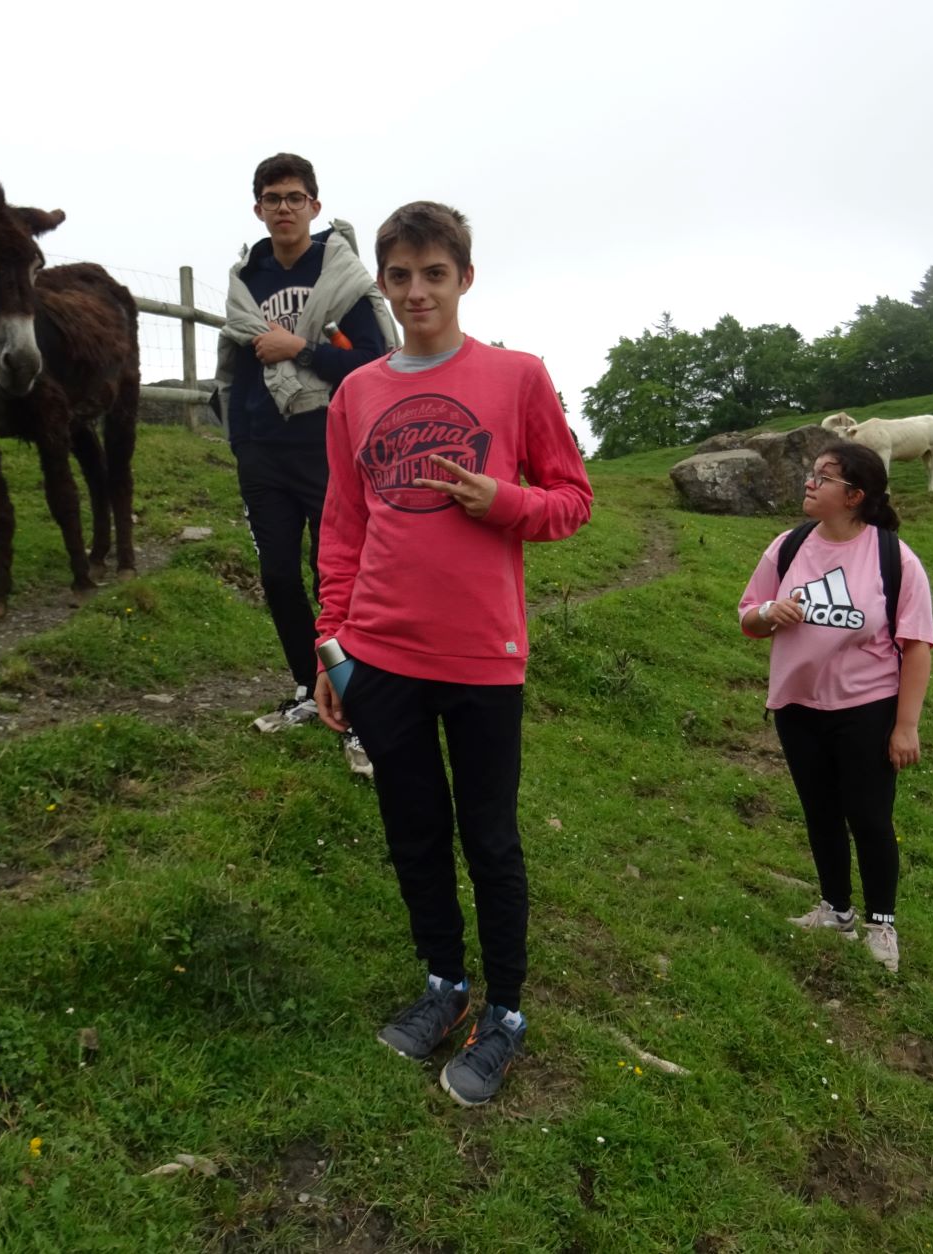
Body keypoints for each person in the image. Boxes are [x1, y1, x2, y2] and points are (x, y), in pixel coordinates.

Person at [313, 201, 593, 1105]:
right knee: (415, 832)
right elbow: (344, 524)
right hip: (380, 654)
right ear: (382, 284)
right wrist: (331, 644)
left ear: (465, 279)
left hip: (482, 656)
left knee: (491, 837)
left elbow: (572, 499)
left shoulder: (517, 378)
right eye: (400, 276)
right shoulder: (356, 393)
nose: (417, 291)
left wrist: (502, 502)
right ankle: (444, 983)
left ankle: (505, 1011)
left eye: (434, 273)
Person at [215, 153, 397, 775]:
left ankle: (354, 711)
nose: (284, 207)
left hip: (331, 450)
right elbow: (237, 366)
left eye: (295, 197)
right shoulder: (248, 279)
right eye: (272, 197)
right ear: (258, 208)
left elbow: (373, 366)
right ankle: (304, 687)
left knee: (336, 586)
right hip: (262, 453)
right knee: (279, 579)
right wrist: (240, 439)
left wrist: (303, 349)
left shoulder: (342, 277)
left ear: (315, 206)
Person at [737, 442, 933, 973]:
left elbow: (917, 645)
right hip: (797, 707)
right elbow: (747, 618)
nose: (809, 482)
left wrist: (906, 727)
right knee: (820, 811)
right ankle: (836, 911)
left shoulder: (894, 558)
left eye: (822, 476)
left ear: (854, 496)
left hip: (866, 708)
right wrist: (767, 614)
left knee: (869, 817)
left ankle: (882, 924)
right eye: (812, 473)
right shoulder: (788, 546)